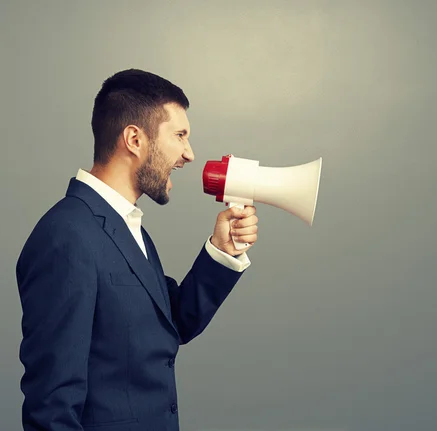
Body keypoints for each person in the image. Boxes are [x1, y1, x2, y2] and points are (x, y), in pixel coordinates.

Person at [16, 69, 258, 431]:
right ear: (134, 138)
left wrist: (222, 251)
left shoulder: (127, 227)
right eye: (179, 135)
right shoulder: (65, 236)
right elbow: (52, 408)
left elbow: (168, 324)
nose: (189, 154)